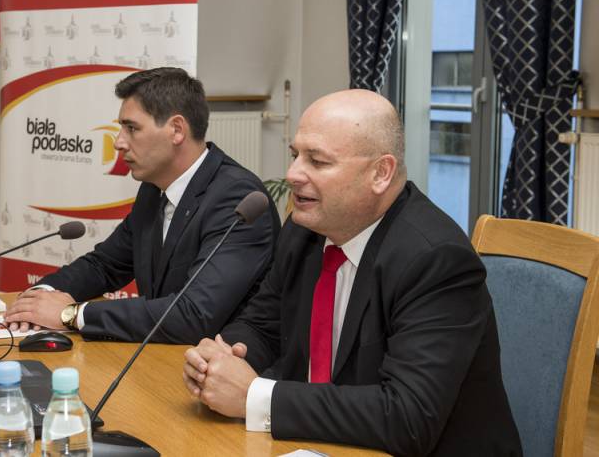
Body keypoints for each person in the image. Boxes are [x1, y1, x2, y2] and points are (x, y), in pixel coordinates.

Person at [182, 90, 522, 456]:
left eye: (317, 161)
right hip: (323, 443)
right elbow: (263, 326)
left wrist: (255, 396)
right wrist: (221, 361)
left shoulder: (436, 260)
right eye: (296, 156)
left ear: (380, 173)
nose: (293, 174)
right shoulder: (304, 231)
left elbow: (408, 417)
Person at [4, 67, 280, 344]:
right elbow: (104, 265)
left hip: (219, 360)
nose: (118, 142)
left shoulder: (236, 198)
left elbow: (194, 314)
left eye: (132, 128)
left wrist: (72, 314)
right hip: (162, 352)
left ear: (177, 130)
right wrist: (39, 296)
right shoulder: (153, 190)